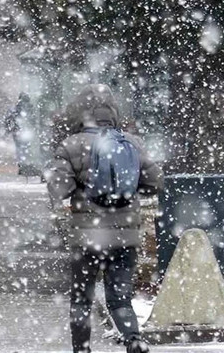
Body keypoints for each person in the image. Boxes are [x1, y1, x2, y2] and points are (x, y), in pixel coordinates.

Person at [45, 84, 163, 353]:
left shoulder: (71, 144)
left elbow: (59, 188)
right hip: (126, 235)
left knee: (82, 298)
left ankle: (82, 349)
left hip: (88, 236)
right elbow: (155, 182)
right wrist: (127, 191)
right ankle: (133, 338)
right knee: (120, 297)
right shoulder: (131, 143)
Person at [3, 92, 41, 177]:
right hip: (26, 131)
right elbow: (33, 120)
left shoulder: (15, 108)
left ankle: (22, 165)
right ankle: (27, 165)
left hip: (17, 132)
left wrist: (8, 131)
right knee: (26, 147)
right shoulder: (30, 108)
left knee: (20, 148)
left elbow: (9, 120)